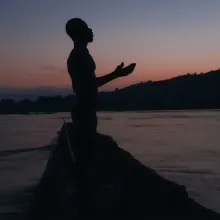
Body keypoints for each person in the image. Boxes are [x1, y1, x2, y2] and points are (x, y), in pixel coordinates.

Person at [65, 17, 136, 215]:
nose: (92, 30)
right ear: (79, 33)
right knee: (87, 161)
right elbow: (87, 86)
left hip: (86, 109)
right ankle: (87, 206)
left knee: (89, 159)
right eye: (87, 28)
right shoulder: (78, 56)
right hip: (84, 111)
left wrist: (116, 74)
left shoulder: (82, 54)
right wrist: (117, 75)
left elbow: (90, 83)